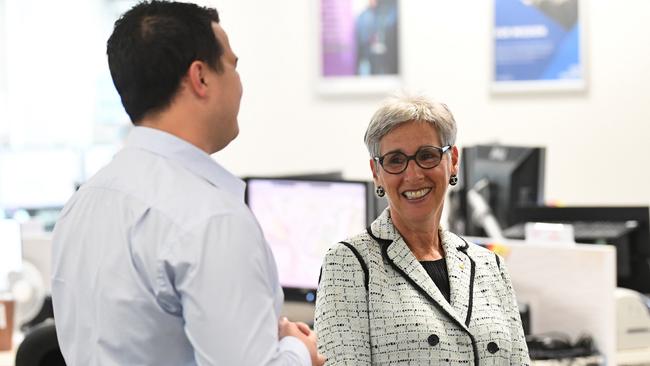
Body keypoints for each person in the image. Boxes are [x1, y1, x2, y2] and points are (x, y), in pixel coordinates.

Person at [50, 2, 324, 365]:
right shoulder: (211, 219)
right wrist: (299, 350)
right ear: (201, 77)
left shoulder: (82, 205)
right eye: (233, 66)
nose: (240, 84)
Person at [314, 94, 530, 364]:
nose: (413, 174)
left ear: (452, 160)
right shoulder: (350, 263)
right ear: (376, 172)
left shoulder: (489, 266)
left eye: (427, 156)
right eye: (395, 160)